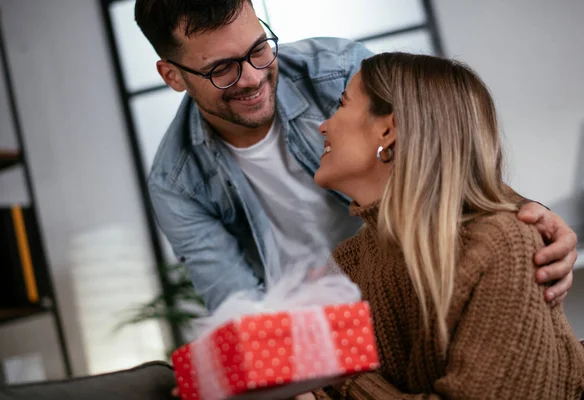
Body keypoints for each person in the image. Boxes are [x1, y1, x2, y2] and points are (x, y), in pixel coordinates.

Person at [134, 0, 577, 313]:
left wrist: (524, 211)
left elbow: (436, 147)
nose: (251, 77)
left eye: (257, 49)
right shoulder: (176, 183)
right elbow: (238, 306)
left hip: (408, 288)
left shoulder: (339, 70)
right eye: (221, 69)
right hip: (310, 335)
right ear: (172, 75)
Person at [309, 52, 584, 399]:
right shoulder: (346, 265)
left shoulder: (502, 245)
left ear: (388, 130)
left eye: (342, 105)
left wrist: (347, 379)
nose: (323, 126)